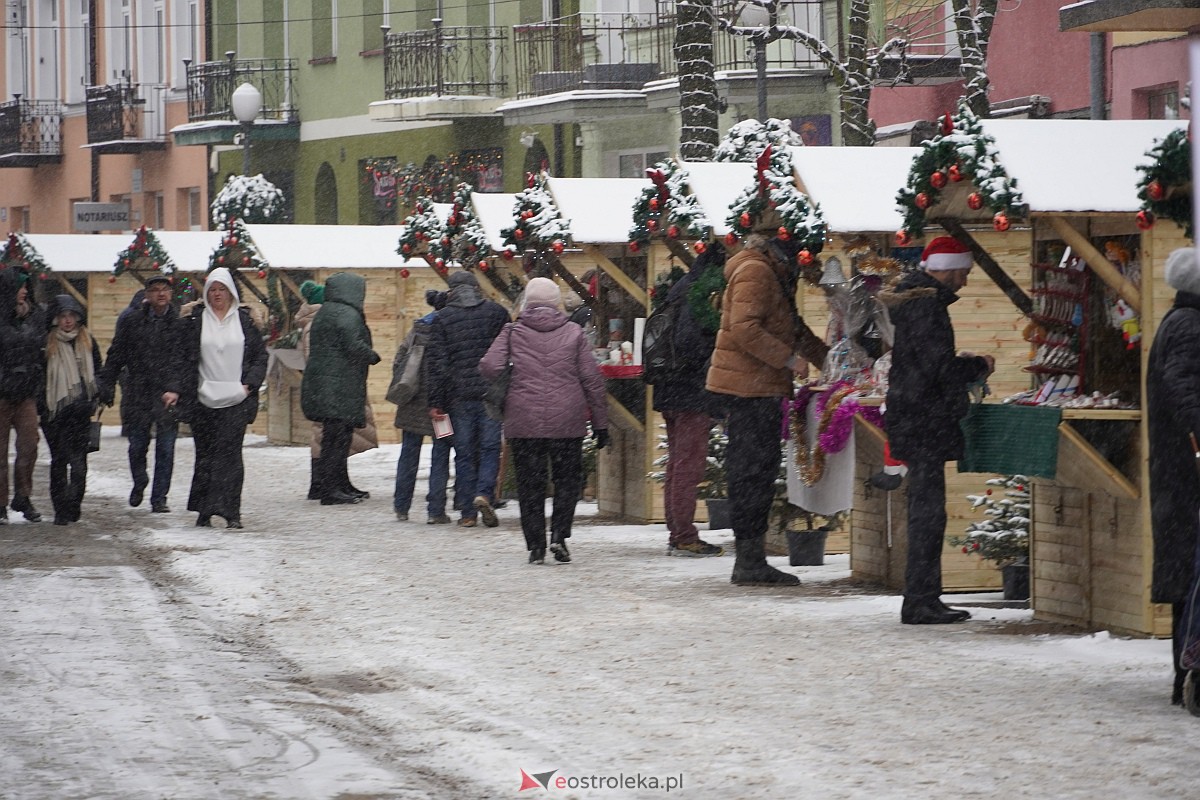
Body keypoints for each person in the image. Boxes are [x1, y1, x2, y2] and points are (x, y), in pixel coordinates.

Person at [879, 236, 995, 625]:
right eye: (964, 272)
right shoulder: (928, 307)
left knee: (926, 511)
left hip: (914, 415)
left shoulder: (914, 302)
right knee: (928, 515)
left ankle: (924, 596)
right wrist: (978, 365)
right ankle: (920, 599)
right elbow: (938, 369)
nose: (965, 280)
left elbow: (927, 362)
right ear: (949, 269)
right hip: (924, 420)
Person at [706, 232, 828, 585]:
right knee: (752, 473)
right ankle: (749, 561)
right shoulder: (756, 271)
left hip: (757, 387)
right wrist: (789, 359)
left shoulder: (769, 271)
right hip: (749, 388)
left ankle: (751, 559)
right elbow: (745, 328)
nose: (805, 267)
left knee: (756, 472)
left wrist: (827, 359)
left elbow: (791, 326)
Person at [480, 277, 608, 564]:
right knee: (566, 481)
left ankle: (536, 546)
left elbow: (489, 365)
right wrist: (601, 423)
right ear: (556, 302)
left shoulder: (512, 331)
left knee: (530, 485)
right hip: (567, 420)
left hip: (524, 419)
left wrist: (513, 376)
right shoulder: (574, 332)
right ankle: (559, 536)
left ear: (528, 302)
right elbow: (592, 379)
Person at [164, 268, 268, 529]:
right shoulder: (194, 321)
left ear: (231, 292)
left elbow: (260, 356)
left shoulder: (245, 321)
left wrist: (249, 385)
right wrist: (174, 388)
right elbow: (180, 358)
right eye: (212, 290)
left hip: (236, 398)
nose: (217, 294)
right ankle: (205, 510)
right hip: (203, 398)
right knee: (206, 455)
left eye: (222, 289)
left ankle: (232, 511)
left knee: (230, 455)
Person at [1146, 247, 1200, 706]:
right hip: (1186, 469)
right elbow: (1183, 387)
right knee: (1191, 577)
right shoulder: (1189, 326)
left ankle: (1184, 675)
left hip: (1176, 466)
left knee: (1186, 577)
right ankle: (1189, 675)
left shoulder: (1176, 320)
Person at [653, 245, 726, 557]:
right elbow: (689, 343)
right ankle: (683, 535)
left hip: (670, 387)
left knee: (677, 463)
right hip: (690, 391)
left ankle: (677, 531)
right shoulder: (702, 293)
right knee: (688, 465)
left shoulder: (681, 288)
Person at [427, 271, 510, 528]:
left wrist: (436, 402)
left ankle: (467, 513)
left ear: (451, 291)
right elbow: (508, 355)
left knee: (463, 453)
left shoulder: (442, 319)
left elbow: (437, 365)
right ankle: (484, 493)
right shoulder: (497, 313)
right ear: (476, 287)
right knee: (490, 448)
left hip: (458, 395)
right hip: (490, 393)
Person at [98, 275, 182, 513]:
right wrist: (107, 382)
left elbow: (183, 360)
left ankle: (159, 497)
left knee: (166, 448)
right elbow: (117, 353)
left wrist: (175, 388)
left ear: (171, 294)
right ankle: (139, 480)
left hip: (167, 394)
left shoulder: (179, 324)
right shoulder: (133, 321)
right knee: (137, 445)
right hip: (138, 391)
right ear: (147, 295)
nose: (161, 294)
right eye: (155, 290)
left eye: (165, 289)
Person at [301, 272, 381, 506]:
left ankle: (339, 483)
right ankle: (331, 488)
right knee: (337, 440)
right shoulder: (346, 313)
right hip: (338, 387)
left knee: (335, 438)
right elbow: (352, 344)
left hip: (329, 386)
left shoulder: (326, 311)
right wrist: (372, 355)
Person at [392, 289, 454, 524]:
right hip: (442, 405)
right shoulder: (450, 329)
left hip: (412, 401)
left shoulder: (417, 329)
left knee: (409, 452)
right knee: (441, 453)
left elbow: (399, 361)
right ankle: (435, 510)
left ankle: (401, 506)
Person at [39, 295, 102, 526]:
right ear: (56, 319)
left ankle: (74, 503)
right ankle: (60, 510)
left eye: (71, 316)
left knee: (79, 465)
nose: (67, 321)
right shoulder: (46, 343)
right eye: (63, 316)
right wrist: (42, 406)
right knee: (59, 461)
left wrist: (97, 394)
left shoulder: (87, 341)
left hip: (80, 412)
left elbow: (99, 370)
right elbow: (40, 377)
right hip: (55, 413)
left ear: (78, 318)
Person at [0, 268, 46, 523]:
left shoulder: (33, 316)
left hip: (26, 392)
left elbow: (39, 351)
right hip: (1, 394)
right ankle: (0, 503)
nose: (25, 291)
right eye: (21, 286)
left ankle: (23, 495)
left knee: (29, 444)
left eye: (26, 286)